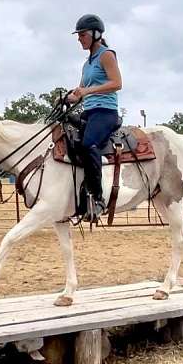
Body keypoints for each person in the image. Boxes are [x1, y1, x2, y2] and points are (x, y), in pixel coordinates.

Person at [68, 14, 123, 222]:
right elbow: (79, 92)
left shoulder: (106, 55)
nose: (79, 39)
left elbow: (117, 83)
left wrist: (87, 91)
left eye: (82, 34)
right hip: (89, 111)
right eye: (79, 35)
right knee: (68, 137)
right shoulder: (86, 64)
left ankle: (97, 198)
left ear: (95, 34)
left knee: (89, 143)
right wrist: (67, 98)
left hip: (105, 112)